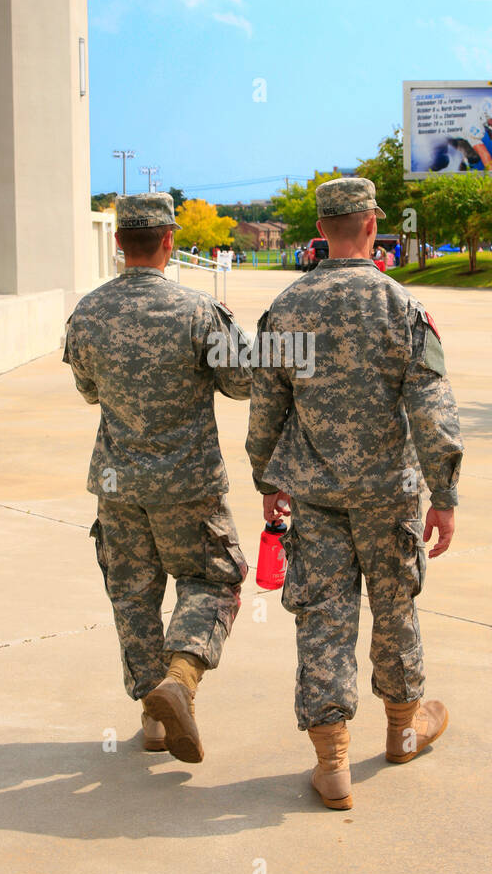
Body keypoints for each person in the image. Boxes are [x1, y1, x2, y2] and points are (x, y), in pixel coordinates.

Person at [246, 176, 463, 811]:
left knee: (323, 617)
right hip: (388, 494)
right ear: (373, 225)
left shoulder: (285, 310)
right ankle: (401, 732)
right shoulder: (402, 307)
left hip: (312, 496)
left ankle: (331, 763)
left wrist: (269, 480)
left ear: (321, 229)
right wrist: (444, 494)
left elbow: (265, 412)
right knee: (395, 610)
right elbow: (432, 406)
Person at [64, 193, 253, 763]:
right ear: (170, 241)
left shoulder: (88, 312)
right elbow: (243, 382)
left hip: (119, 485)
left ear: (119, 243)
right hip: (188, 486)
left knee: (133, 595)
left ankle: (153, 717)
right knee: (214, 579)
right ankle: (181, 679)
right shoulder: (198, 311)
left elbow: (88, 389)